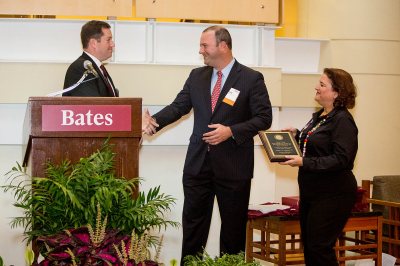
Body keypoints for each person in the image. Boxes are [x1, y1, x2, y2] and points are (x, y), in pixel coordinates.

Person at [142, 25, 272, 264]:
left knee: (233, 232)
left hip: (234, 167)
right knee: (193, 228)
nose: (200, 51)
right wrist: (154, 121)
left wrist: (231, 131)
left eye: (204, 45)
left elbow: (264, 118)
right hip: (198, 164)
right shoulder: (197, 76)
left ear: (223, 46)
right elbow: (179, 107)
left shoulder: (251, 78)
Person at [281, 68, 358, 265]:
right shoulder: (320, 116)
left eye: (322, 85)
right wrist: (297, 134)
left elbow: (342, 159)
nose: (316, 87)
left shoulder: (343, 120)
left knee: (319, 247)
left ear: (337, 92)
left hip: (333, 194)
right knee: (310, 246)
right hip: (312, 192)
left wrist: (304, 162)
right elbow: (319, 145)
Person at [63, 20, 118, 97]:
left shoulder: (98, 67)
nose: (113, 44)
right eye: (108, 40)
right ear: (93, 43)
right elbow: (91, 104)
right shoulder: (81, 68)